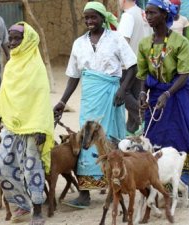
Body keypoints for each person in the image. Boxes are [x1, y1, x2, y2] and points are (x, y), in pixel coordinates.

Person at [53, 1, 137, 208]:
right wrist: (62, 101)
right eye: (87, 18)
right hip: (90, 98)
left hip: (111, 96)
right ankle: (85, 193)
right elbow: (73, 76)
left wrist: (121, 90)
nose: (90, 21)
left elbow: (133, 66)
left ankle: (118, 185)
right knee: (86, 140)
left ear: (102, 18)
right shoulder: (79, 43)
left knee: (111, 140)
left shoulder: (115, 38)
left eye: (94, 17)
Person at [138, 0, 189, 201]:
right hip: (157, 98)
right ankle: (166, 189)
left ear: (164, 15)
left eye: (152, 12)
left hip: (179, 95)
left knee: (187, 136)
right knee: (157, 141)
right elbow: (144, 75)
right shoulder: (145, 44)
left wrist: (168, 94)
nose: (148, 16)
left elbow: (184, 74)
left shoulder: (180, 42)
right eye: (146, 12)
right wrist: (142, 93)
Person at [0, 22, 54, 225]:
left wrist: (41, 128)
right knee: (3, 165)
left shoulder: (36, 67)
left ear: (27, 40)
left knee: (32, 169)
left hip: (33, 127)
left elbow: (41, 99)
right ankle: (22, 203)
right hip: (12, 124)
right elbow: (5, 94)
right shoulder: (12, 64)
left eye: (16, 39)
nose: (11, 43)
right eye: (10, 39)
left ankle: (37, 212)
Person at [118, 0, 153, 135]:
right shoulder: (143, 14)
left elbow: (123, 42)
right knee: (137, 95)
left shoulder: (128, 16)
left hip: (129, 64)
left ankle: (145, 119)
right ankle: (130, 132)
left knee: (123, 93)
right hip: (142, 63)